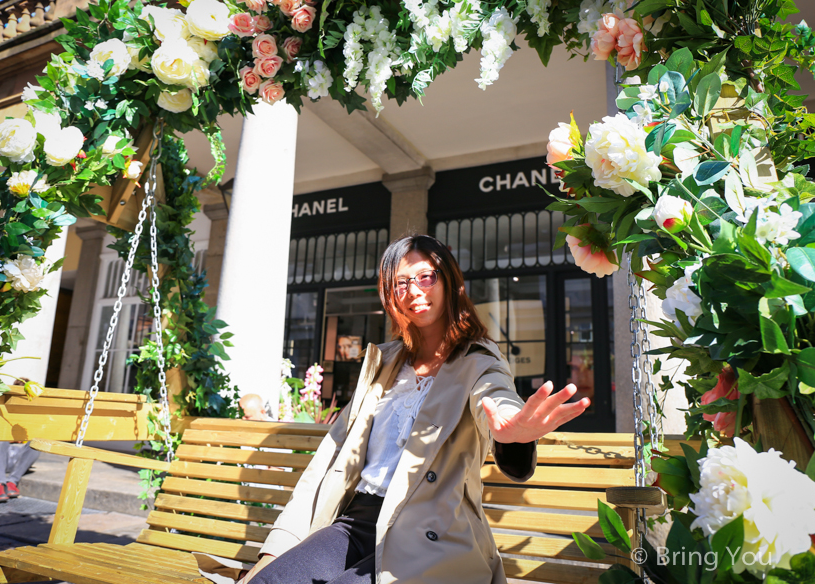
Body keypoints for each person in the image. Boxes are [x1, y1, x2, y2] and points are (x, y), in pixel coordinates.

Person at [240, 235, 589, 584]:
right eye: (400, 282)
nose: (414, 290)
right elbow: (328, 460)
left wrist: (512, 430)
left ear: (450, 281)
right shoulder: (383, 362)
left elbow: (495, 396)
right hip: (356, 522)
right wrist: (274, 552)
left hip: (429, 533)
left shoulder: (479, 359)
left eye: (426, 276)